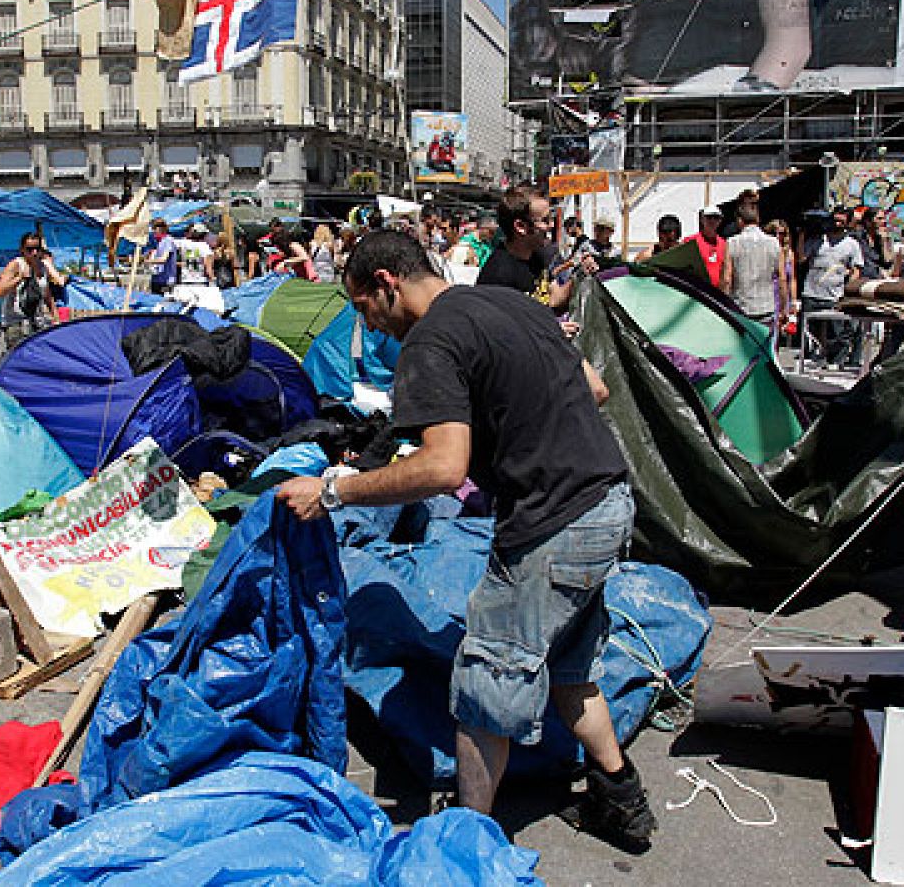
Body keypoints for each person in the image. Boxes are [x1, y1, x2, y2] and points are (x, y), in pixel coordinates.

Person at [275, 229, 654, 853]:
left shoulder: (430, 341)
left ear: (386, 284)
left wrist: (334, 491)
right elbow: (594, 387)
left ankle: (464, 841)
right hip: (608, 504)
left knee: (484, 688)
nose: (370, 328)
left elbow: (444, 469)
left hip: (551, 525)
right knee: (570, 671)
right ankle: (622, 799)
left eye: (365, 309)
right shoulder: (512, 303)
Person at [476, 186, 574, 313]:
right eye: (545, 220)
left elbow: (554, 299)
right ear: (521, 226)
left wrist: (580, 274)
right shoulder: (497, 276)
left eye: (552, 218)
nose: (552, 225)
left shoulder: (538, 256)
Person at [800, 208, 866, 367]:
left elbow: (856, 270)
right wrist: (802, 234)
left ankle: (835, 362)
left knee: (837, 333)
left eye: (841, 221)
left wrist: (847, 291)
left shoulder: (852, 244)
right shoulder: (818, 241)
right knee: (810, 333)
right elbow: (802, 257)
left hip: (835, 295)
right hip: (811, 292)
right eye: (835, 220)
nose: (837, 224)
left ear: (847, 223)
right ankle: (814, 360)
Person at [0, 232, 64, 346]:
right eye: (30, 249)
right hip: (16, 323)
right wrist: (19, 278)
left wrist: (56, 317)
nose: (34, 253)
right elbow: (0, 291)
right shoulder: (16, 265)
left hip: (37, 322)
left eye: (37, 249)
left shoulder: (43, 267)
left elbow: (47, 295)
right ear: (22, 250)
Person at [727, 204, 782, 326]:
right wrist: (783, 308)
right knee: (765, 337)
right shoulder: (774, 242)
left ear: (739, 220)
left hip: (741, 307)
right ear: (758, 220)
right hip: (766, 307)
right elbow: (782, 277)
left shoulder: (732, 243)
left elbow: (727, 279)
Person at [170, 223, 224, 313]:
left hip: (185, 284)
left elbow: (170, 241)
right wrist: (213, 279)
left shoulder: (184, 244)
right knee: (209, 312)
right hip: (200, 285)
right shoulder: (205, 248)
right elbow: (208, 269)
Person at [683, 205, 732, 292]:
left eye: (716, 218)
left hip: (716, 293)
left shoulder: (724, 244)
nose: (712, 221)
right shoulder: (690, 241)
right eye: (709, 217)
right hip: (697, 291)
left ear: (720, 221)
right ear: (702, 220)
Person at [853, 207, 892, 279]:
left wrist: (884, 242)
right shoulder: (857, 238)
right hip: (865, 275)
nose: (884, 221)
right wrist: (880, 271)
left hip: (881, 275)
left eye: (884, 218)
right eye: (879, 219)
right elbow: (864, 263)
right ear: (868, 222)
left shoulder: (882, 238)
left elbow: (888, 263)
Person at [146, 218, 180, 295]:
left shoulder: (168, 240)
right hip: (156, 279)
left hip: (166, 281)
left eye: (154, 228)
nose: (153, 231)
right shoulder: (158, 241)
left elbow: (163, 259)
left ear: (162, 228)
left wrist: (146, 262)